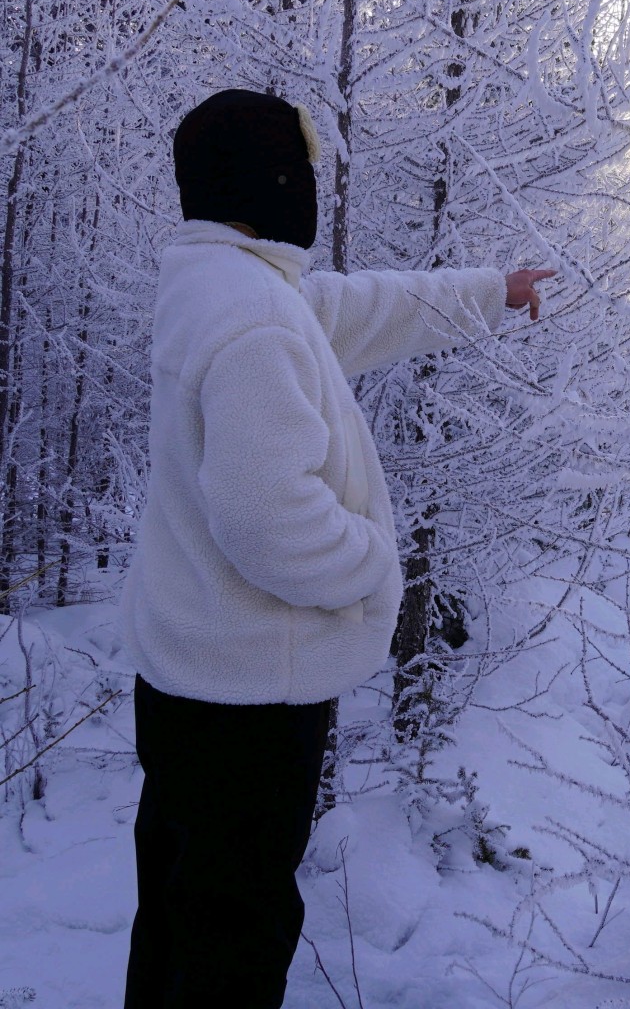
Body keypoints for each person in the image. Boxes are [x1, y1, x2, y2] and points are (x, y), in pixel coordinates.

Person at [119, 88, 553, 1008]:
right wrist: (374, 565)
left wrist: (489, 294)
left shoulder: (220, 283)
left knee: (178, 916)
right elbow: (267, 516)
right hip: (247, 702)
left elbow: (354, 311)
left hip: (190, 679)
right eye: (304, 172)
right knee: (235, 942)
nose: (312, 188)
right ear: (275, 180)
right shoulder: (256, 320)